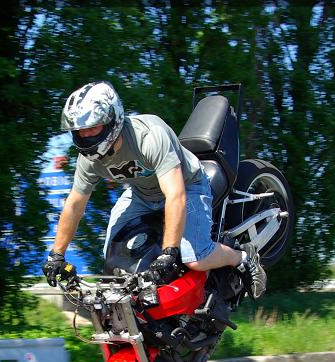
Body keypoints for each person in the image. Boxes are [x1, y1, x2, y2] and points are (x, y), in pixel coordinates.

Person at [42, 80, 266, 298]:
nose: (86, 135)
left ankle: (243, 257)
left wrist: (169, 253)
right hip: (141, 193)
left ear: (113, 120)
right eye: (81, 130)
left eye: (93, 127)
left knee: (195, 257)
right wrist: (56, 255)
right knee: (113, 256)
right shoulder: (89, 160)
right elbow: (74, 205)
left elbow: (175, 195)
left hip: (188, 186)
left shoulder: (149, 137)